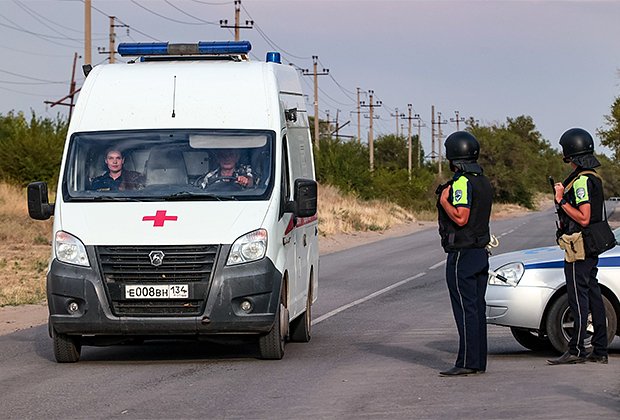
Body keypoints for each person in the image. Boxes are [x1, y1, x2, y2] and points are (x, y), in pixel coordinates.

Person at [547, 128, 608, 365]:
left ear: (570, 152)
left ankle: (576, 350)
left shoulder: (581, 181)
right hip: (591, 245)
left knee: (577, 296)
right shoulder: (592, 177)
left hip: (579, 246)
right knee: (593, 295)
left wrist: (561, 199)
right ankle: (600, 349)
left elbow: (583, 217)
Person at [437, 131, 493, 376]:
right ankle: (477, 360)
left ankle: (467, 363)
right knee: (477, 308)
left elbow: (461, 217)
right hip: (480, 251)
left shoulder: (461, 182)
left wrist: (443, 201)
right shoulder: (483, 181)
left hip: (463, 253)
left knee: (465, 308)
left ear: (454, 157)